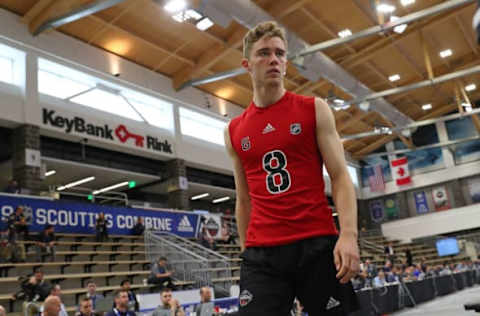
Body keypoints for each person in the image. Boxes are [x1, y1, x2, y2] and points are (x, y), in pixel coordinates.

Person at [224, 21, 359, 315]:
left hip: (317, 245)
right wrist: (246, 250)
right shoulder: (235, 130)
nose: (274, 59)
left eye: (280, 53)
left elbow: (339, 177)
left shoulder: (314, 109)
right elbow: (243, 198)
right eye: (264, 53)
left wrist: (348, 233)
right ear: (247, 64)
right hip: (263, 254)